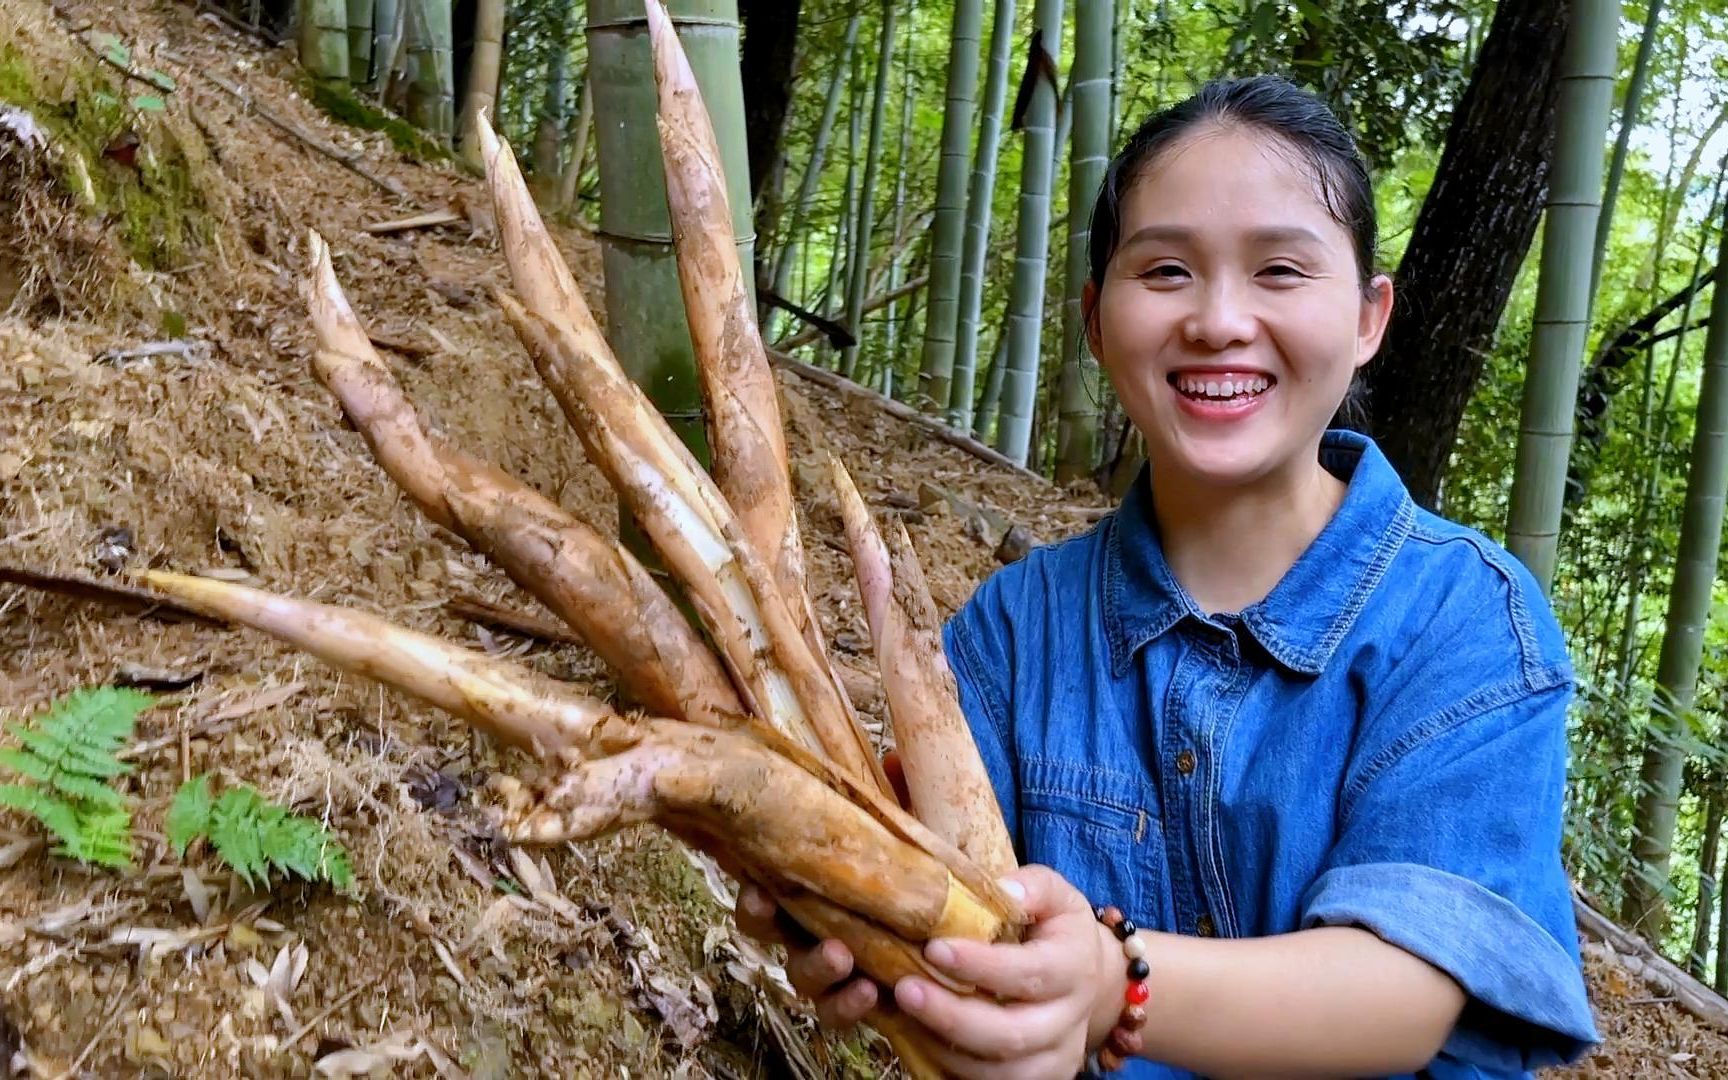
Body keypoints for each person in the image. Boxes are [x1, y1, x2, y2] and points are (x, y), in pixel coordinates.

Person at [737, 75, 1598, 1079]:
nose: (1220, 320)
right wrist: (853, 921)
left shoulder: (1465, 620)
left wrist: (1117, 982)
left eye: (1280, 270)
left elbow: (1409, 989)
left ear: (1369, 317)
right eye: (1166, 273)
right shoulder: (1019, 629)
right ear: (1098, 322)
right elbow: (955, 904)